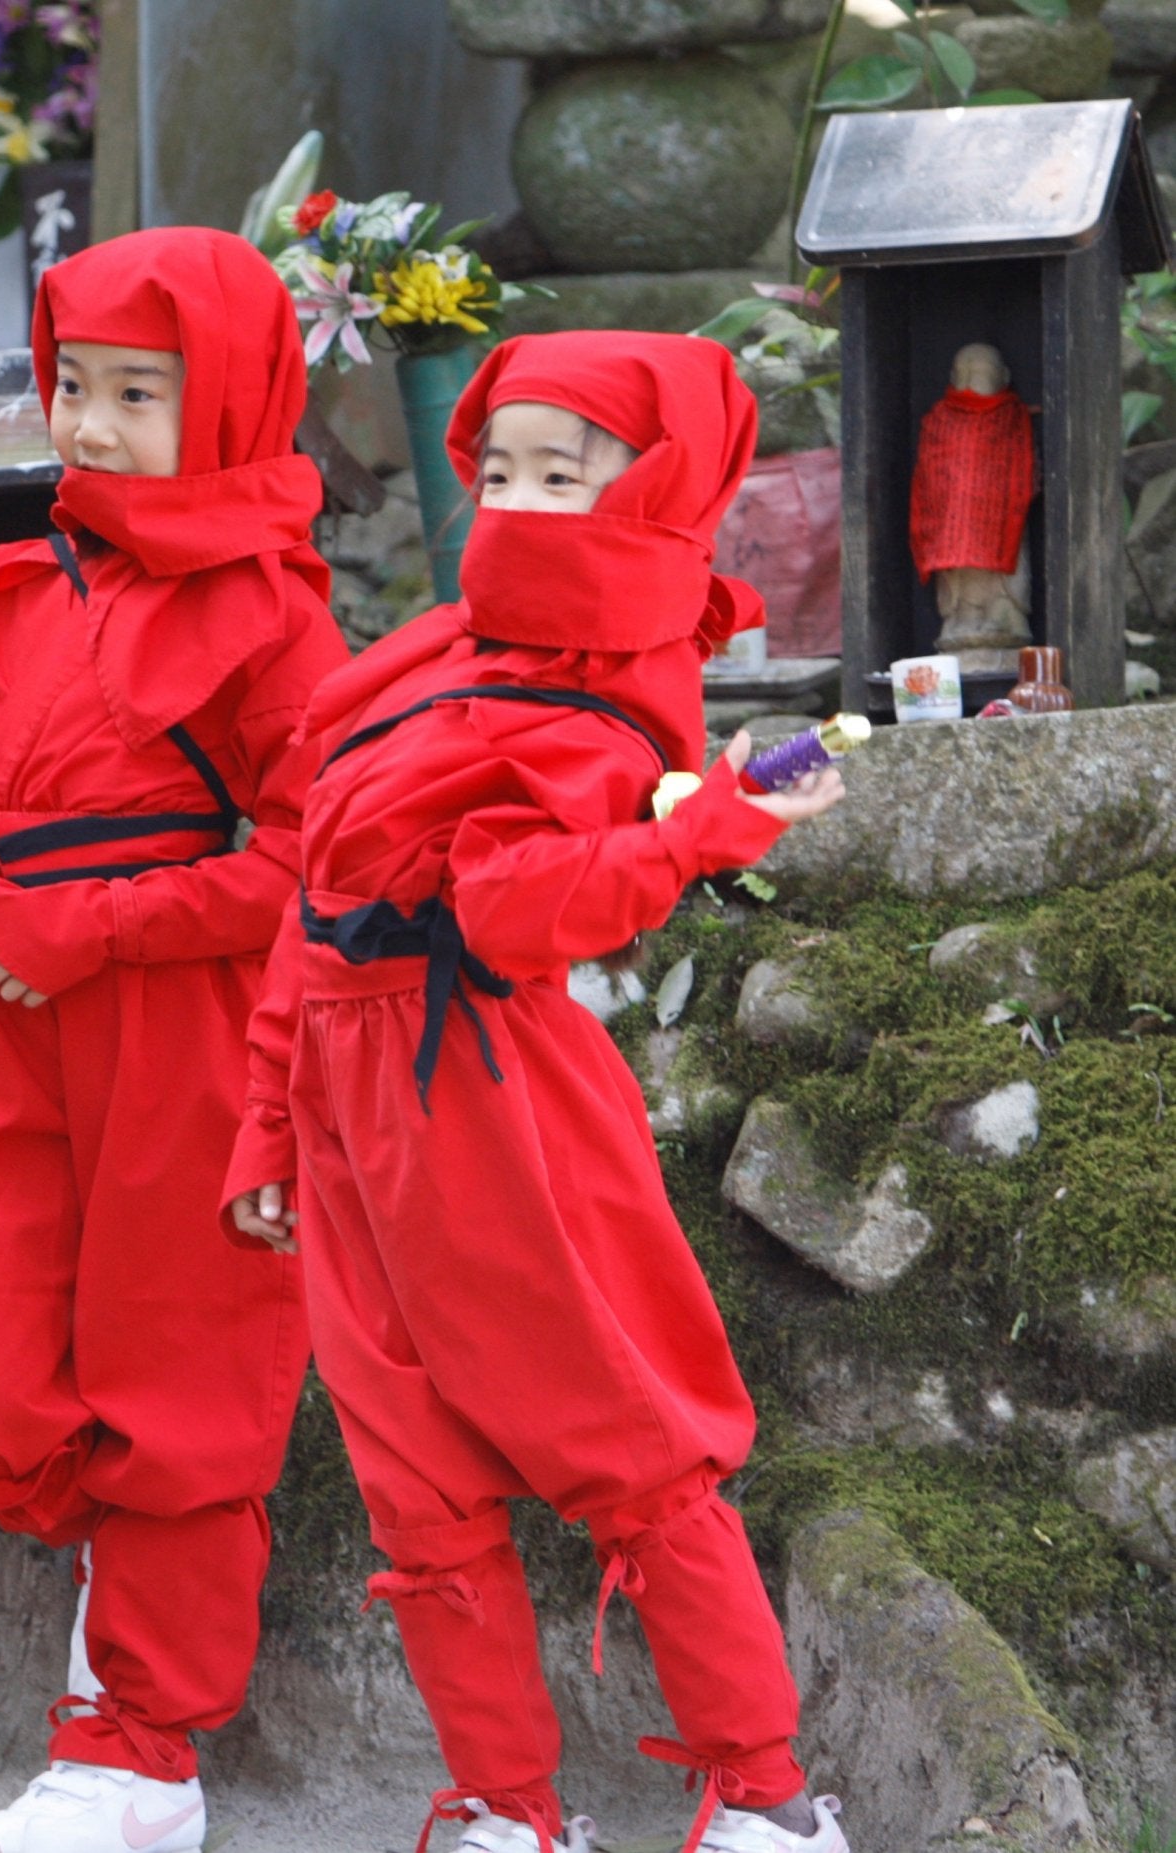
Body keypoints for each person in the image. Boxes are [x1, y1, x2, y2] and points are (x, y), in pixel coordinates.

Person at [224, 332, 849, 1853]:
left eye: (561, 475)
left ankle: (764, 1797)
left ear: (657, 492)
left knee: (630, 1444)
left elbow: (519, 911)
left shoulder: (624, 684)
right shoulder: (432, 658)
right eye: (494, 469)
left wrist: (706, 830)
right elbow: (316, 896)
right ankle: (509, 1810)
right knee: (414, 1486)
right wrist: (265, 1121)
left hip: (492, 1090)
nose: (514, 503)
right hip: (350, 1100)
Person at [0, 226, 347, 1853]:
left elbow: (304, 858)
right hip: (0, 1023)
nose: (87, 422)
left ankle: (137, 1747)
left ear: (230, 404)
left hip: (188, 1029)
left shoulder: (278, 619)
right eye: (74, 383)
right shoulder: (5, 592)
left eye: (140, 393)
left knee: (183, 1374)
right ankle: (108, 1671)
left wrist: (84, 928)